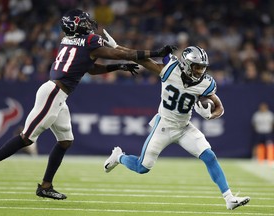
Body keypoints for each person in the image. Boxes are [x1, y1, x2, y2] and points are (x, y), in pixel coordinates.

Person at [0, 9, 174, 199]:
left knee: (65, 141)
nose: (88, 23)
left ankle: (45, 186)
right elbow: (119, 54)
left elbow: (91, 69)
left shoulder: (69, 41)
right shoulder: (89, 42)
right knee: (26, 138)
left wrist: (118, 67)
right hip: (53, 93)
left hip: (58, 95)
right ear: (76, 25)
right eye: (84, 21)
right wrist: (156, 53)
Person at [102, 30, 250, 210]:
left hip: (184, 127)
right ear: (186, 64)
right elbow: (141, 59)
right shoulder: (169, 70)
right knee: (143, 167)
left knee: (209, 156)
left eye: (202, 67)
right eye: (196, 66)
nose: (200, 70)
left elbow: (220, 107)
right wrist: (117, 48)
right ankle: (119, 157)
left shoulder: (206, 83)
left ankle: (229, 198)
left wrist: (210, 115)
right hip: (164, 125)